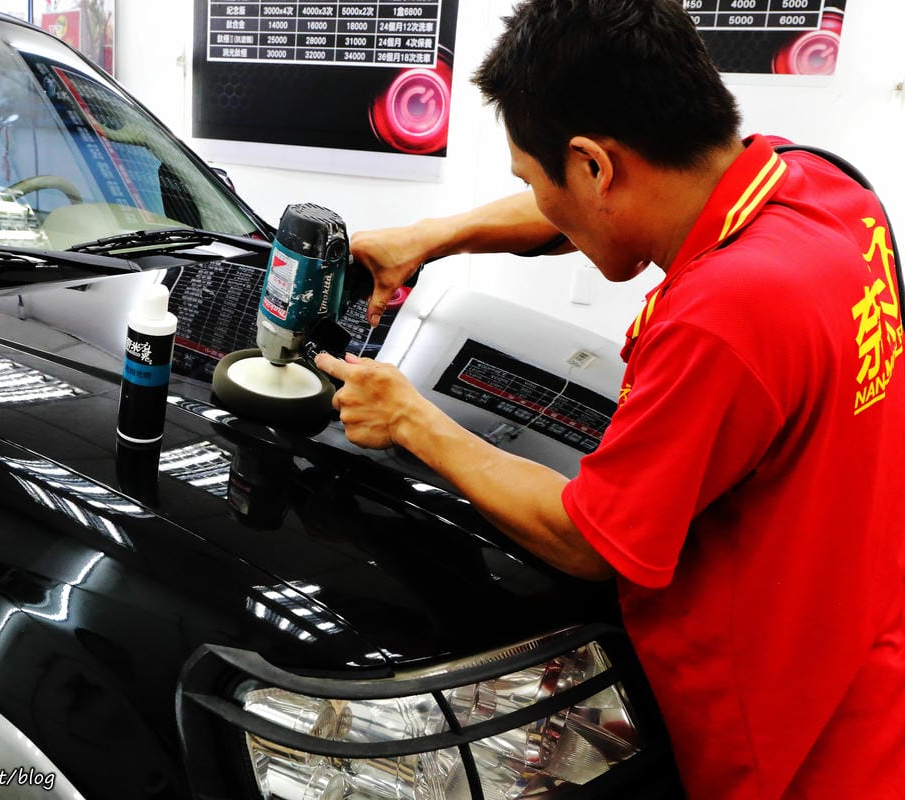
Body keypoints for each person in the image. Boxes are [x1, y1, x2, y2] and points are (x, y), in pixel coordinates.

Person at [313, 1, 905, 798]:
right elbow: (581, 212)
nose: (538, 198)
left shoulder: (724, 320)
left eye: (534, 175)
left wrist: (411, 417)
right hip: (867, 663)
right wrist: (433, 235)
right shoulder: (821, 187)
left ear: (595, 165)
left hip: (786, 746)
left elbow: (588, 537)